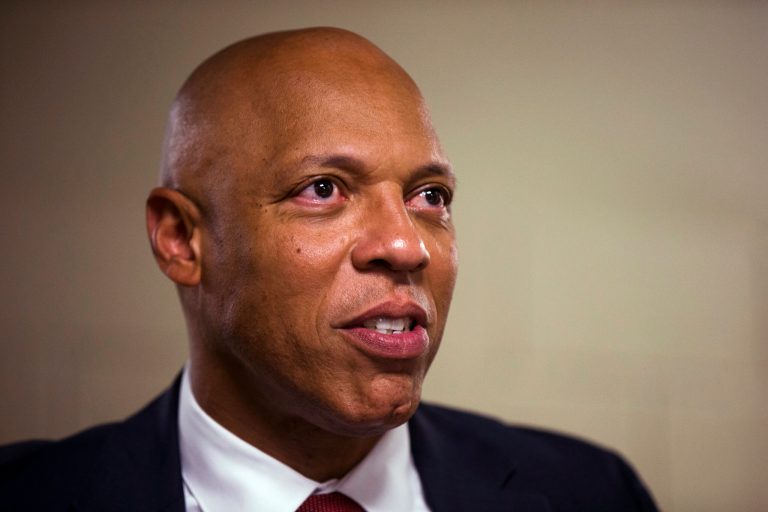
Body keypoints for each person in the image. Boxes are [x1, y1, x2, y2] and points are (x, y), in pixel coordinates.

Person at [0, 27, 657, 511]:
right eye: (322, 190)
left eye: (430, 197)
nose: (406, 247)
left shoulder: (593, 492)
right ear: (182, 239)